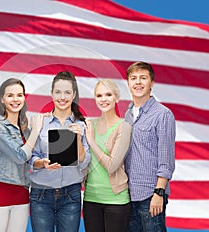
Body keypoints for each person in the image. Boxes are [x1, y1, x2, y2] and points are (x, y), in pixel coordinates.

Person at [29, 71, 91, 232]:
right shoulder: (40, 122)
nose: (62, 97)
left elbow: (85, 161)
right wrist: (42, 163)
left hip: (71, 194)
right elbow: (31, 157)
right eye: (57, 92)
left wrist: (78, 138)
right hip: (41, 194)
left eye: (67, 92)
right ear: (51, 94)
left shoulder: (82, 124)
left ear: (74, 94)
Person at [0, 78, 44, 232]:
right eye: (10, 95)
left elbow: (32, 157)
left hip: (22, 195)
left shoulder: (25, 128)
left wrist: (42, 162)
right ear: (2, 99)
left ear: (24, 98)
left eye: (19, 95)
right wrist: (36, 131)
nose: (15, 99)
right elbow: (20, 156)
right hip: (0, 194)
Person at [124, 61, 176, 232]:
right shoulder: (128, 115)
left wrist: (159, 193)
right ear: (128, 83)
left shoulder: (162, 114)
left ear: (151, 83)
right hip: (128, 195)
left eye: (143, 78)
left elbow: (166, 158)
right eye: (134, 78)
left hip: (150, 195)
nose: (138, 82)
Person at [83, 79, 132, 232]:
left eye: (108, 94)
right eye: (99, 95)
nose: (103, 99)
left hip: (116, 200)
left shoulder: (123, 127)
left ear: (116, 98)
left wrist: (91, 141)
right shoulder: (90, 125)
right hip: (90, 198)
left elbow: (112, 166)